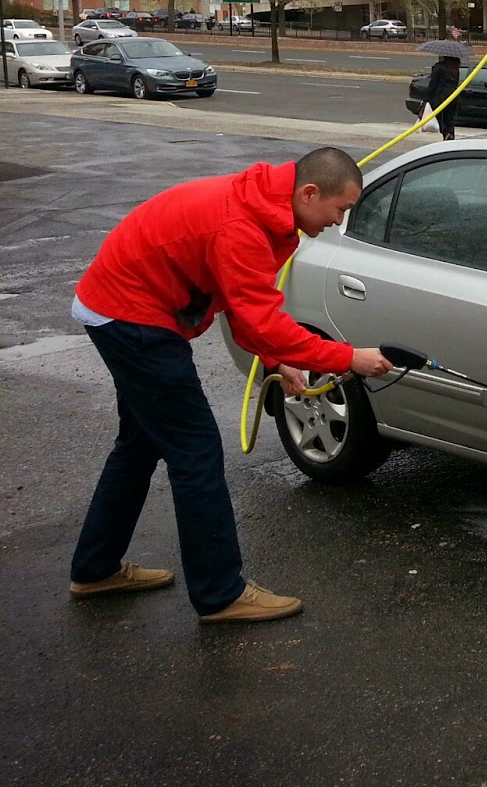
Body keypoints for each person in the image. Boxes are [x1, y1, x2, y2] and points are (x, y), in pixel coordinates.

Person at [68, 148, 394, 622]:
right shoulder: (242, 226)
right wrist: (349, 358)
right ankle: (220, 594)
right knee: (195, 453)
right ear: (308, 192)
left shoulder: (264, 208)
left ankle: (95, 569)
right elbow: (260, 319)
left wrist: (277, 358)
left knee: (139, 446)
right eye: (340, 210)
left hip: (123, 307)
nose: (338, 221)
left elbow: (244, 306)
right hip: (133, 318)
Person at [424, 54, 461, 141]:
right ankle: (450, 134)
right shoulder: (455, 68)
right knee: (449, 118)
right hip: (452, 97)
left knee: (440, 118)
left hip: (440, 97)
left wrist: (426, 99)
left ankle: (445, 133)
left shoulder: (438, 67)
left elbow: (432, 84)